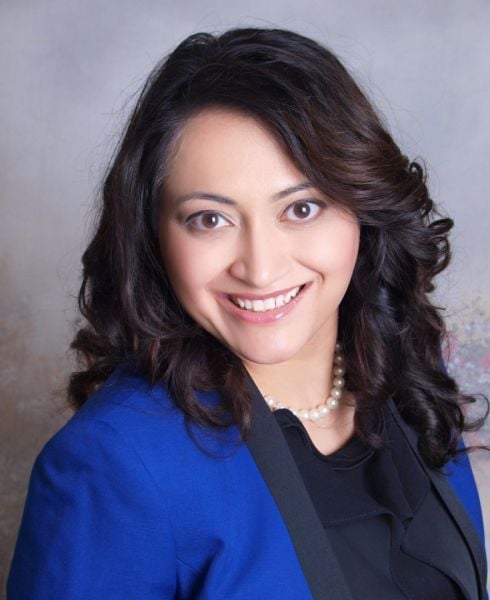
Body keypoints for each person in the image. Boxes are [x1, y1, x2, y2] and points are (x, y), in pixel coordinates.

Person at [7, 27, 489, 600]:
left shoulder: (408, 378)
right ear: (152, 236)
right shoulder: (112, 465)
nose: (261, 269)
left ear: (364, 207)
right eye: (210, 219)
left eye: (302, 208)